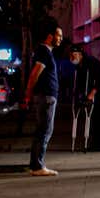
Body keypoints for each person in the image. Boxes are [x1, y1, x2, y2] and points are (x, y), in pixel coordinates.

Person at [23, 17, 63, 176]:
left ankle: (35, 164)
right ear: (50, 36)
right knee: (45, 130)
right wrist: (27, 94)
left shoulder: (45, 52)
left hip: (46, 96)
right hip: (46, 97)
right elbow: (34, 74)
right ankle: (38, 166)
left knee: (43, 130)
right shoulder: (44, 52)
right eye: (58, 35)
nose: (60, 38)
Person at [69, 44, 100, 151]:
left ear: (80, 55)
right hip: (94, 93)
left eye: (73, 55)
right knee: (95, 118)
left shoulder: (91, 62)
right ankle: (96, 145)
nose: (71, 58)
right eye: (70, 56)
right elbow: (80, 82)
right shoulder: (78, 66)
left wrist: (90, 95)